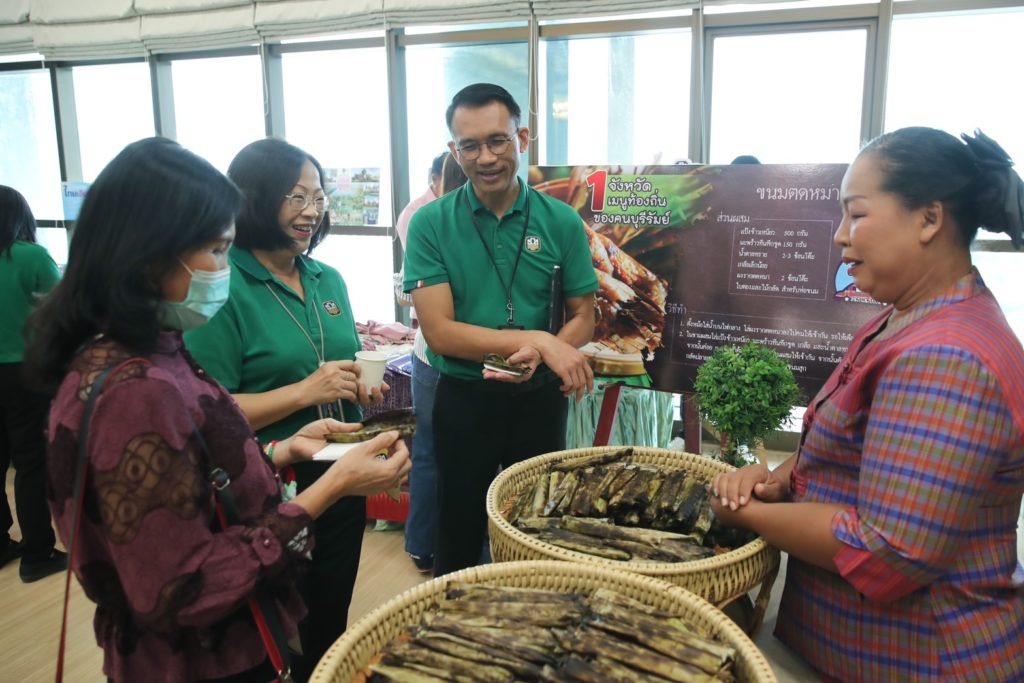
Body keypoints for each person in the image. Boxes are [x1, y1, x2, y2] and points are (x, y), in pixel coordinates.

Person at [23, 137, 410, 683]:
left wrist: (280, 451)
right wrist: (328, 485)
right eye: (217, 250)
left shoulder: (141, 351)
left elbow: (187, 477)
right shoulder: (136, 390)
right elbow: (180, 588)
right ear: (150, 252)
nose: (223, 269)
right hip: (195, 659)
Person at [711, 127, 1024, 682]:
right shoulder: (901, 316)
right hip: (843, 647)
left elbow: (889, 550)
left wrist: (748, 513)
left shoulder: (946, 357)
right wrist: (781, 480)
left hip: (925, 659)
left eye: (856, 215)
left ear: (929, 219)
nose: (839, 236)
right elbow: (850, 443)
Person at [184, 137, 385, 678]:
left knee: (328, 616)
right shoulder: (222, 287)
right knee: (266, 631)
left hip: (339, 475)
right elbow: (208, 415)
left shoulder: (328, 278)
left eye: (318, 196)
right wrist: (304, 392)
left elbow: (334, 364)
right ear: (254, 199)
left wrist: (356, 387)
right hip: (263, 485)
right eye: (295, 196)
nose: (311, 210)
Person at [403, 83, 598, 577]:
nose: (485, 157)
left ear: (523, 137)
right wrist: (539, 340)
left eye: (497, 140)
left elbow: (584, 315)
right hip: (463, 396)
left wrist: (548, 348)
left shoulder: (561, 221)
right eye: (469, 145)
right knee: (457, 528)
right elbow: (442, 333)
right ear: (454, 150)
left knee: (534, 526)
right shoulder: (430, 224)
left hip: (538, 398)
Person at [394, 151, 468, 574]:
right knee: (433, 453)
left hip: (445, 351)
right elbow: (411, 290)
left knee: (442, 453)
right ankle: (424, 544)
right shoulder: (426, 218)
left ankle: (433, 546)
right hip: (437, 354)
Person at [0, 185, 66, 582]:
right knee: (29, 463)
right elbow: (62, 313)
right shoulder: (31, 256)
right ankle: (38, 554)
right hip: (24, 371)